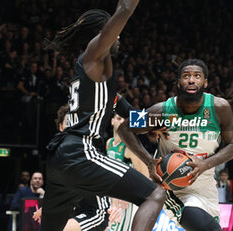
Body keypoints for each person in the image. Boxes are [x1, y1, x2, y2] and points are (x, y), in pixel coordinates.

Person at [41, 2, 166, 231]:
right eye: (116, 32)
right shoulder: (93, 55)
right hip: (82, 151)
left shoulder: (98, 81)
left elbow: (132, 116)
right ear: (105, 32)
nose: (119, 37)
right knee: (155, 194)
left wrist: (162, 123)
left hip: (60, 158)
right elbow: (125, 10)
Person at [118, 58, 233, 231]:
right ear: (178, 83)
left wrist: (205, 164)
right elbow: (125, 128)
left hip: (205, 185)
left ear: (205, 82)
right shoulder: (162, 111)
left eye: (197, 76)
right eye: (186, 76)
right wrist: (149, 161)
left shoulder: (219, 108)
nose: (191, 80)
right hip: (173, 186)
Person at [34, 105, 121, 231]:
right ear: (61, 127)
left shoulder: (88, 150)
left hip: (96, 211)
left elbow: (112, 177)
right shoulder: (57, 153)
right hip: (74, 210)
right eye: (69, 123)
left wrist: (115, 205)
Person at [106, 113, 149, 230]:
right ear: (112, 121)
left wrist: (130, 197)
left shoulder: (130, 147)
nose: (122, 122)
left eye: (125, 120)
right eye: (119, 119)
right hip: (112, 197)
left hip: (126, 200)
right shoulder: (109, 143)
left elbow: (146, 177)